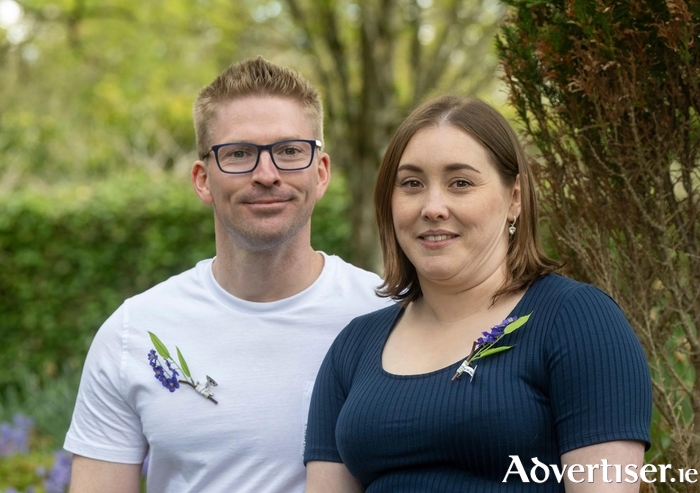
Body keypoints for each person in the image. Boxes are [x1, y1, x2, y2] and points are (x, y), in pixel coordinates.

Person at [63, 56, 390, 493]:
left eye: (290, 151)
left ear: (322, 171)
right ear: (202, 179)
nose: (267, 175)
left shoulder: (386, 313)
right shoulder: (133, 332)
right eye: (239, 154)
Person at [303, 95, 652, 492]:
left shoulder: (577, 321)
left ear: (514, 198)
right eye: (412, 184)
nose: (433, 207)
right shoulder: (354, 346)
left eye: (461, 183)